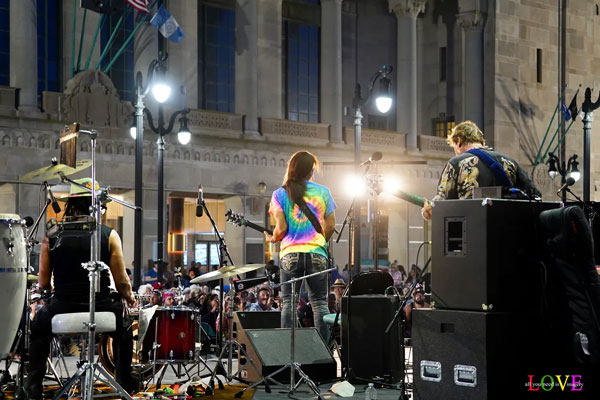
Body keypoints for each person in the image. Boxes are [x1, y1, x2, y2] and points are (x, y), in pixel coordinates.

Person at [26, 178, 137, 399]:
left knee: (38, 327)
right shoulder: (110, 235)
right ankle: (125, 382)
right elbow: (122, 282)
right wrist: (130, 297)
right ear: (96, 206)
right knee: (124, 329)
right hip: (102, 306)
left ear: (71, 205)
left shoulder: (52, 235)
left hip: (62, 306)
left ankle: (33, 388)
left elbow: (43, 283)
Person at [265, 150, 336, 343]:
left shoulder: (279, 194)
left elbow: (281, 229)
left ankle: (289, 353)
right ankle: (324, 353)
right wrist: (321, 242)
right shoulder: (323, 192)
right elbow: (331, 225)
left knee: (289, 303)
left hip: (290, 255)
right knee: (320, 304)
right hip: (317, 254)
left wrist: (273, 238)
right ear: (311, 171)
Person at [421, 120, 540, 221]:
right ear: (482, 143)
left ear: (459, 142)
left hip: (471, 235)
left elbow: (441, 206)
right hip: (506, 235)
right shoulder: (509, 162)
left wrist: (428, 210)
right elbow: (535, 195)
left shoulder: (456, 163)